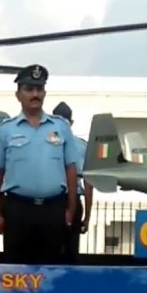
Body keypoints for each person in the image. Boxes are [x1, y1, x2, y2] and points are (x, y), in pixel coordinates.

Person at [0, 65, 80, 265]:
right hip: (18, 210)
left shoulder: (61, 127)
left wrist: (70, 208)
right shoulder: (4, 130)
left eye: (39, 89)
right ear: (18, 94)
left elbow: (71, 169)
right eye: (29, 89)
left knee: (52, 272)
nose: (35, 94)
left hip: (53, 210)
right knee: (17, 272)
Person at [52, 101, 94, 262]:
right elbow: (88, 184)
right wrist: (87, 217)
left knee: (49, 253)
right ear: (72, 122)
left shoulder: (43, 143)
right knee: (71, 253)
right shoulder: (82, 147)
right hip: (74, 201)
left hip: (51, 201)